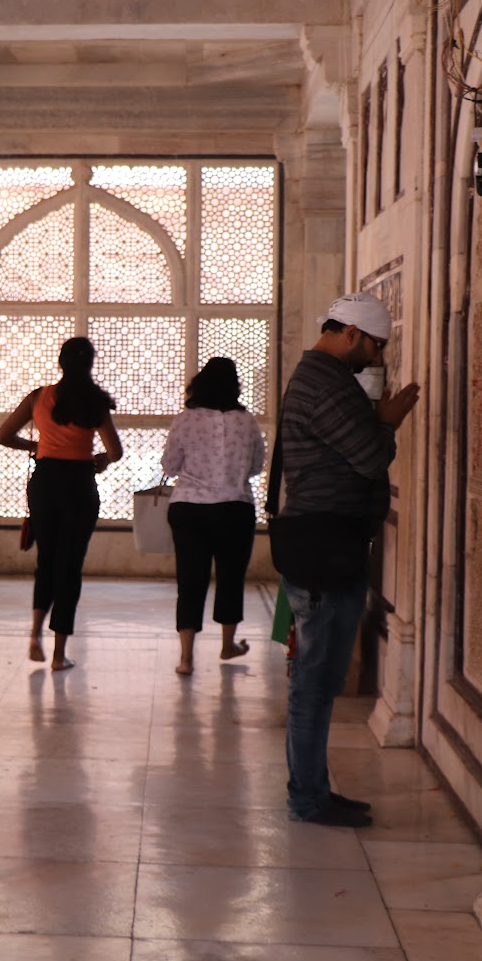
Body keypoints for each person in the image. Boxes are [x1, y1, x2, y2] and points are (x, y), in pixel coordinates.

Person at [275, 293, 419, 828]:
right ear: (353, 334)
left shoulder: (326, 381)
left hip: (327, 545)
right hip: (323, 548)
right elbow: (370, 455)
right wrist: (388, 422)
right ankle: (307, 799)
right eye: (376, 346)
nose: (377, 359)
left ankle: (313, 790)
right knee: (313, 683)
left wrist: (375, 417)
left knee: (317, 681)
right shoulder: (324, 383)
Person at [0, 337, 122, 672]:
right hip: (79, 484)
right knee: (70, 566)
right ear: (90, 363)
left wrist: (36, 445)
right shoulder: (95, 402)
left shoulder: (39, 397)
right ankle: (58, 654)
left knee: (47, 560)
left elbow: (3, 435)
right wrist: (102, 461)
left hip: (45, 483)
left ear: (61, 362)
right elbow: (115, 451)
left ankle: (35, 632)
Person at [160, 357, 265, 676]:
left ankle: (186, 657)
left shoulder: (185, 420)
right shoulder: (247, 422)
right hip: (235, 507)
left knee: (190, 581)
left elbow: (169, 465)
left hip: (189, 508)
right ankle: (227, 644)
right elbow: (257, 466)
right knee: (231, 578)